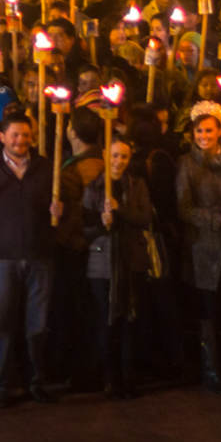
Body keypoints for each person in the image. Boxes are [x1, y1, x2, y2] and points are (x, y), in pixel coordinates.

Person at [0, 109, 57, 406]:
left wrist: (59, 212)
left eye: (26, 135)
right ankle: (2, 385)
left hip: (39, 256)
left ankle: (37, 381)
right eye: (15, 135)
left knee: (38, 325)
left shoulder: (46, 169)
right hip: (3, 259)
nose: (21, 140)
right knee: (2, 324)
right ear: (2, 137)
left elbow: (57, 211)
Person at [176, 101, 221, 395]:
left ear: (220, 131)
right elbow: (183, 209)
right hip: (203, 248)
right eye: (199, 131)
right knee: (207, 307)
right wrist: (216, 218)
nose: (203, 136)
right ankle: (211, 368)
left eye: (209, 130)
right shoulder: (187, 164)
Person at [82, 136, 151, 398]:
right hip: (102, 265)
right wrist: (102, 223)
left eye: (123, 156)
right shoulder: (94, 188)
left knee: (129, 319)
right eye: (114, 155)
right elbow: (86, 230)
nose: (118, 161)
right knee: (106, 320)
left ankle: (128, 375)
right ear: (105, 155)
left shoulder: (137, 186)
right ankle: (109, 375)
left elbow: (145, 218)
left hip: (132, 261)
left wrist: (121, 212)